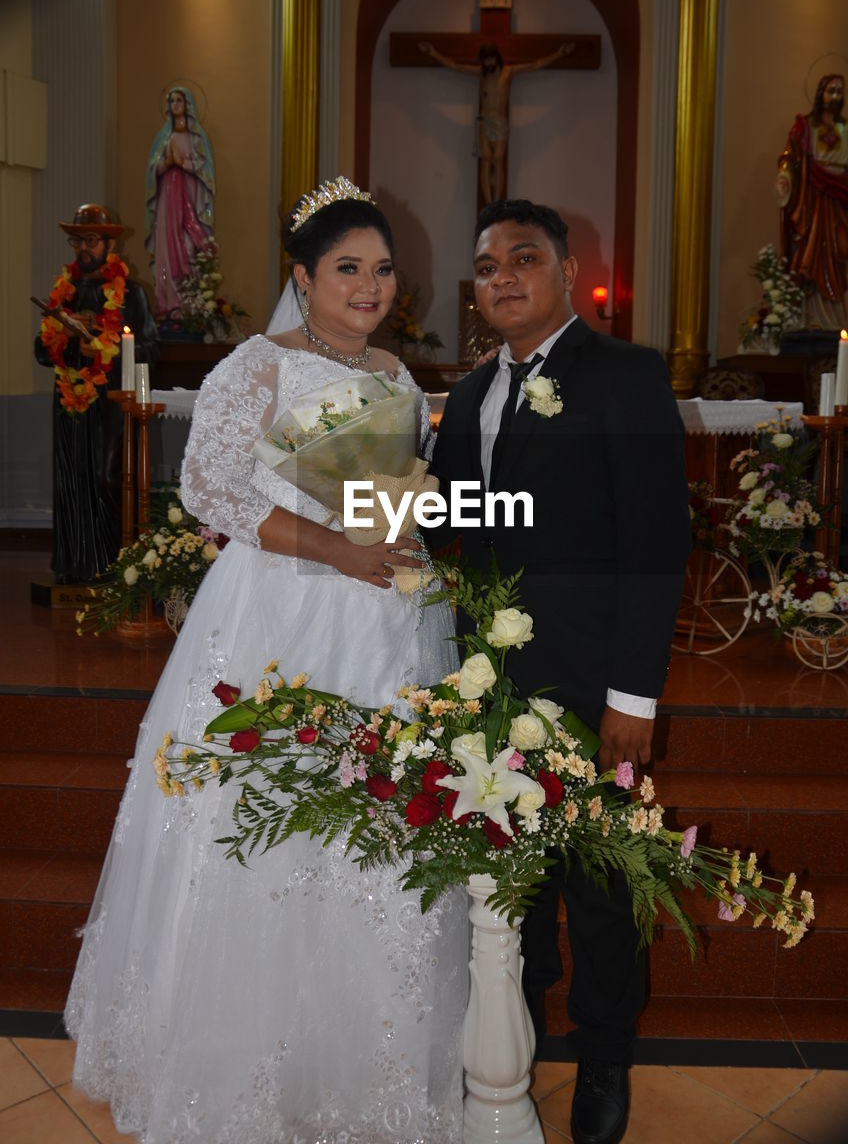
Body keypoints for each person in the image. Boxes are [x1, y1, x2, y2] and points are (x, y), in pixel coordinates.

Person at [65, 180, 468, 1144]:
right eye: (346, 269)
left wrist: (409, 534)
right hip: (273, 619)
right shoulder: (260, 365)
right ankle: (233, 1064)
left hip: (377, 627)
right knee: (256, 819)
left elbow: (386, 510)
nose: (368, 286)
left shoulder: (400, 381)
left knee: (369, 827)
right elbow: (209, 490)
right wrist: (339, 550)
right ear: (303, 277)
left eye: (380, 269)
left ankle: (348, 1061)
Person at [430, 198, 690, 1144]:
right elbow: (456, 524)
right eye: (488, 263)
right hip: (488, 689)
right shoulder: (465, 398)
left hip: (593, 688)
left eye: (523, 258)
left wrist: (633, 697)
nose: (501, 275)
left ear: (566, 272)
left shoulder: (624, 376)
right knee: (514, 878)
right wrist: (338, 497)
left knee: (603, 884)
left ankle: (607, 1054)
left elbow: (658, 541)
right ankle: (520, 1027)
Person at [34, 203, 158, 584]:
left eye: (90, 240)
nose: (82, 248)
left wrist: (108, 349)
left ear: (108, 244)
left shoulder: (131, 292)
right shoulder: (63, 294)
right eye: (77, 240)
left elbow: (152, 348)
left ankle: (114, 566)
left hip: (110, 402)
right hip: (69, 400)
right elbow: (40, 351)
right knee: (70, 477)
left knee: (106, 477)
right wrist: (66, 342)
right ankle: (75, 566)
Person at [418, 39, 572, 205]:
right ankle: (489, 202)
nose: (487, 63)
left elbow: (535, 65)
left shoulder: (508, 72)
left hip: (499, 120)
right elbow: (456, 66)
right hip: (484, 120)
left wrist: (558, 53)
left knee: (498, 160)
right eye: (484, 60)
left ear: (496, 57)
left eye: (490, 58)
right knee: (485, 160)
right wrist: (433, 53)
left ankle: (496, 202)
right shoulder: (481, 73)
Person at [776, 72, 848, 330]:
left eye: (840, 92)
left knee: (839, 253)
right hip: (813, 202)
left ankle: (835, 318)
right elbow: (790, 157)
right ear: (820, 94)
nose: (835, 97)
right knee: (811, 254)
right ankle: (811, 317)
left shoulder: (846, 129)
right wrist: (785, 175)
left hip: (839, 201)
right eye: (831, 91)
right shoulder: (806, 127)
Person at [145, 85, 216, 317]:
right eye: (172, 101)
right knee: (167, 239)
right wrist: (167, 163)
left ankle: (189, 303)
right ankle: (167, 302)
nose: (175, 105)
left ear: (188, 105)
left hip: (189, 196)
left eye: (179, 100)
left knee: (188, 241)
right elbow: (152, 169)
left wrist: (181, 163)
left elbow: (204, 169)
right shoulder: (163, 138)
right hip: (168, 196)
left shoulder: (197, 138)